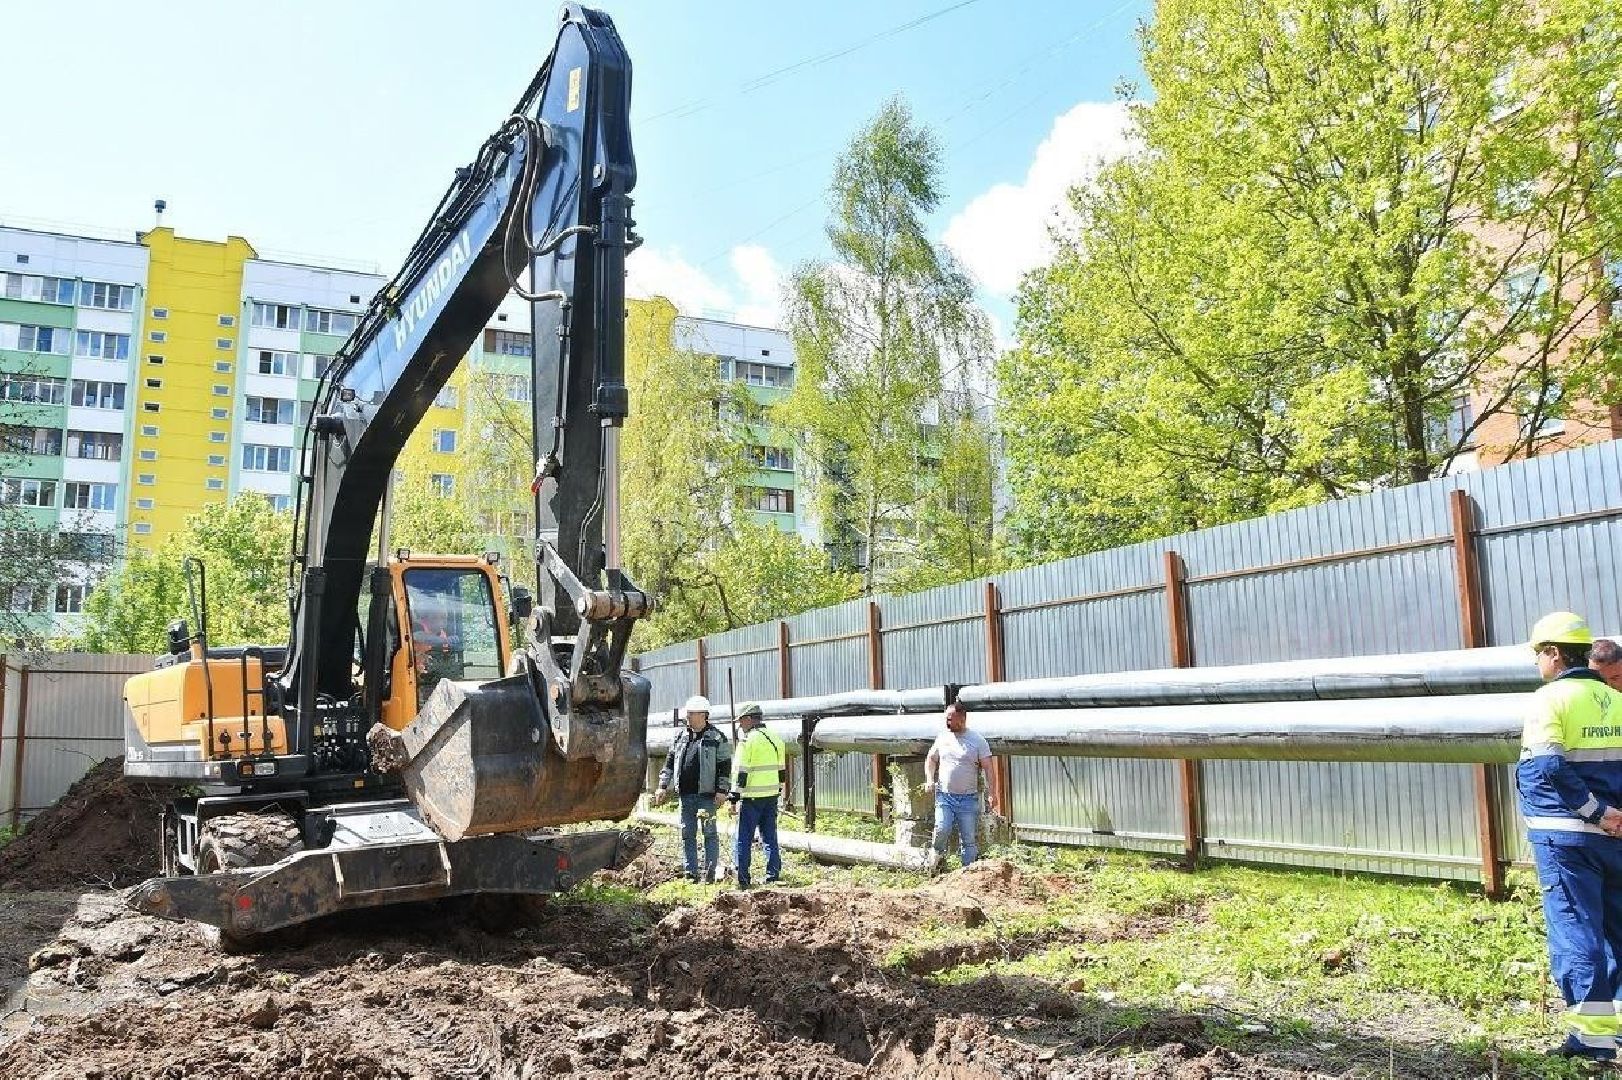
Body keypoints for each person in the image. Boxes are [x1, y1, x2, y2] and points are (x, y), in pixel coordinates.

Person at [1517, 611, 1622, 1063]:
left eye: (1539, 654)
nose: (1538, 663)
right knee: (1617, 931)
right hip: (1614, 834)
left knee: (1577, 934)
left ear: (1555, 653)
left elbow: (1549, 767)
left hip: (1567, 837)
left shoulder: (1549, 700)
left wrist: (1594, 812)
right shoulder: (1615, 698)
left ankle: (1593, 1041)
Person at [653, 695, 732, 883]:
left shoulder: (716, 737)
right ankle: (691, 873)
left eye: (691, 713)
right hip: (686, 795)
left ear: (703, 715)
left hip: (707, 796)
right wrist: (663, 785)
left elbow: (724, 766)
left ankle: (711, 873)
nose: (687, 717)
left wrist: (722, 791)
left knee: (709, 834)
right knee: (687, 833)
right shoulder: (680, 736)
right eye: (687, 713)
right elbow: (670, 762)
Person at [924, 700, 1001, 868]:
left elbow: (989, 768)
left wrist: (992, 793)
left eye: (951, 719)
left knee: (968, 839)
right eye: (946, 719)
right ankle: (935, 864)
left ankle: (968, 873)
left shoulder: (977, 741)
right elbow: (931, 758)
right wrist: (929, 779)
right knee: (942, 829)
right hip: (945, 796)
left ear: (962, 718)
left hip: (968, 799)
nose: (948, 723)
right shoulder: (943, 737)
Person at [728, 702, 785, 889]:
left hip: (752, 797)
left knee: (743, 837)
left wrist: (734, 797)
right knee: (770, 837)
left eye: (741, 721)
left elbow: (740, 772)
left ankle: (743, 879)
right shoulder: (776, 738)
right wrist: (779, 791)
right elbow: (781, 771)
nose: (740, 726)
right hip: (771, 796)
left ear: (749, 719)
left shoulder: (748, 741)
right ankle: (773, 875)